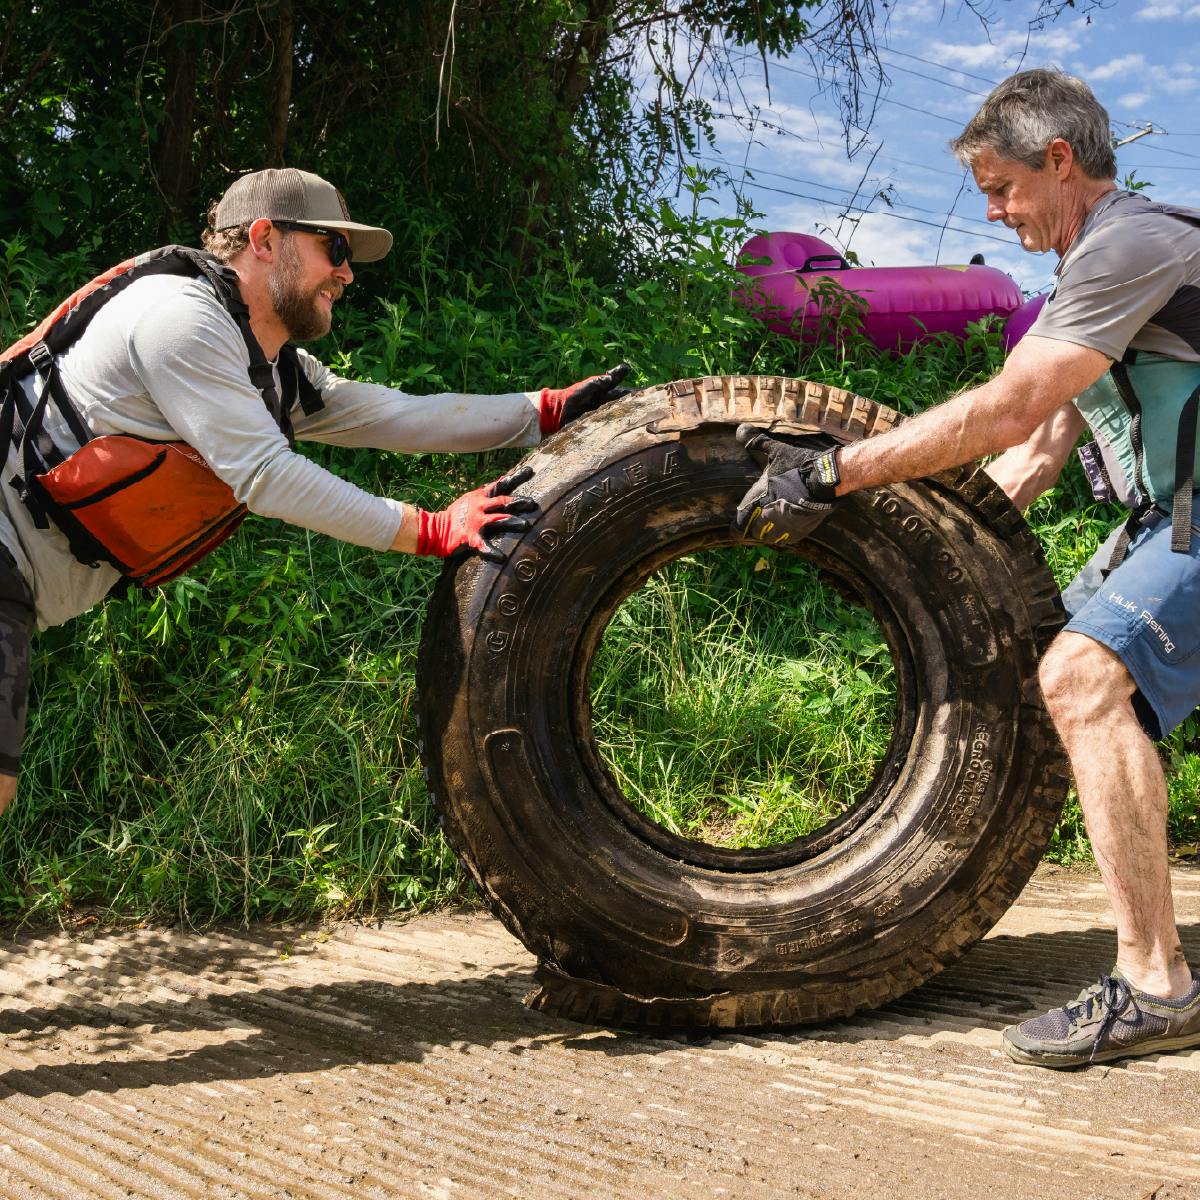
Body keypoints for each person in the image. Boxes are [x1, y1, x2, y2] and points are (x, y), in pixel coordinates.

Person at [736, 68, 1200, 1069]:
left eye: (1001, 188)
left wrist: (833, 472)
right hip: (1169, 517)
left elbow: (1009, 408)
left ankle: (1157, 985)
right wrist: (902, 554)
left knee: (1082, 679)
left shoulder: (1136, 241)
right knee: (1035, 664)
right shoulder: (1089, 278)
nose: (992, 211)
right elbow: (1031, 458)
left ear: (1060, 161)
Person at [0, 166, 629, 817]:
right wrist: (433, 529)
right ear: (264, 239)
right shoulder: (178, 318)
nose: (347, 273)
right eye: (334, 247)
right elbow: (266, 475)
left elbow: (392, 414)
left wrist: (542, 411)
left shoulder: (268, 366)